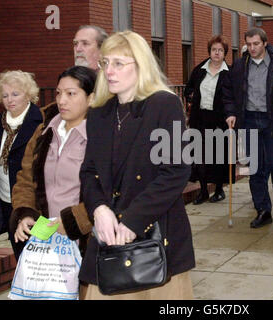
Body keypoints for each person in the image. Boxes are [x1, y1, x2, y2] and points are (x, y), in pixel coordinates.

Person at [79, 31, 195, 300]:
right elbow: (89, 171)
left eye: (119, 63)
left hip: (156, 241)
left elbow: (175, 171)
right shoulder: (98, 111)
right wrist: (98, 209)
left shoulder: (165, 105)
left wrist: (132, 221)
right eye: (105, 63)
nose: (109, 71)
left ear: (140, 65)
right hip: (109, 243)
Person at [9, 25, 107, 260]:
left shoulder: (103, 132)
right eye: (58, 93)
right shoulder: (45, 129)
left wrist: (74, 222)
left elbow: (113, 189)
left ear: (91, 97)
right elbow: (25, 179)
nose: (62, 100)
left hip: (86, 242)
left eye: (71, 94)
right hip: (45, 239)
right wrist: (25, 214)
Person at [223, 27, 273, 229]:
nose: (252, 48)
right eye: (249, 44)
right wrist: (230, 113)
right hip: (249, 120)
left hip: (272, 121)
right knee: (255, 169)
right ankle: (263, 210)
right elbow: (228, 93)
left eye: (256, 44)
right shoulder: (239, 66)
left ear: (265, 43)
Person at [0, 71, 42, 258]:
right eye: (5, 95)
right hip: (5, 201)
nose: (9, 100)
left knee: (37, 255)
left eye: (15, 94)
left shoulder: (40, 122)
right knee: (20, 253)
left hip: (32, 202)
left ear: (28, 94)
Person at [184, 35, 234, 204]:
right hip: (200, 118)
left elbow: (233, 97)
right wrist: (191, 97)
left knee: (218, 155)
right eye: (214, 50)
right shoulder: (200, 70)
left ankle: (219, 189)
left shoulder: (229, 73)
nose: (217, 53)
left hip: (219, 120)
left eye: (220, 50)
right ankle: (203, 190)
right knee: (200, 156)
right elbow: (188, 88)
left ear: (225, 53)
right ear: (209, 51)